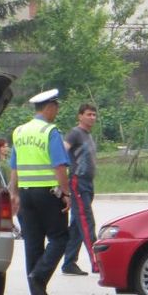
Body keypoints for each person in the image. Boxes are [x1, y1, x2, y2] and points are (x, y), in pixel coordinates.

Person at [9, 89, 70, 295]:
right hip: (48, 193)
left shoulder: (19, 131)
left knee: (33, 241)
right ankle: (39, 275)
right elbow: (59, 165)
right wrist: (67, 193)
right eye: (56, 107)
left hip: (26, 194)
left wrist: (13, 193)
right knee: (61, 238)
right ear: (49, 107)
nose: (57, 112)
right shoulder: (50, 131)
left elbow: (14, 167)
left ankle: (37, 289)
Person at [62, 103, 98, 276]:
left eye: (94, 115)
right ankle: (98, 262)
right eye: (89, 114)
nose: (92, 117)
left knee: (77, 224)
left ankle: (69, 263)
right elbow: (63, 151)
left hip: (88, 183)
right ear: (80, 116)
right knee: (86, 221)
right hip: (77, 181)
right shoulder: (75, 133)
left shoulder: (88, 135)